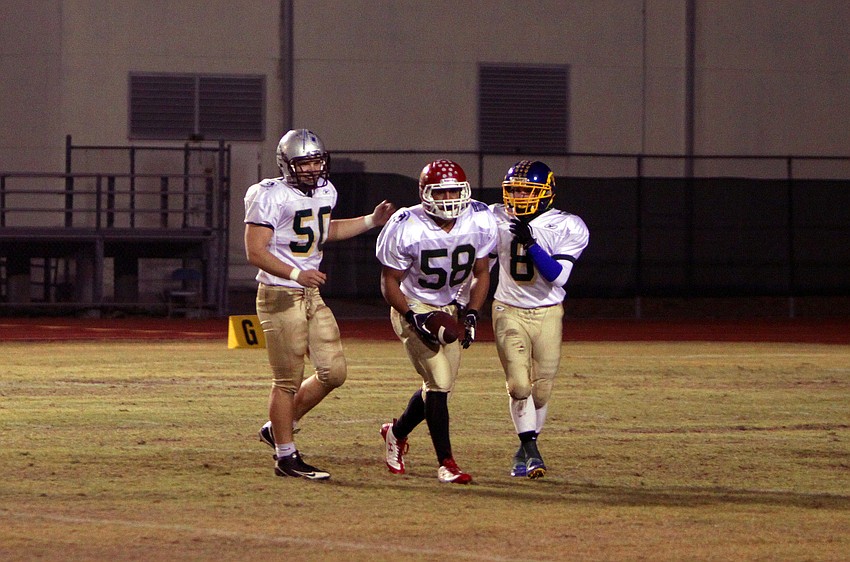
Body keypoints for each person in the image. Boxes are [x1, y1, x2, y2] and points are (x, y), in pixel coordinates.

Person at [245, 128, 395, 480]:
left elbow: (323, 231)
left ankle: (279, 426)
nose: (312, 169)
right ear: (286, 164)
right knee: (286, 380)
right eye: (304, 163)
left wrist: (371, 221)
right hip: (280, 295)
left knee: (333, 372)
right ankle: (286, 456)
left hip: (310, 294)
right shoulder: (268, 195)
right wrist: (297, 274)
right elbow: (255, 251)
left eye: (316, 161)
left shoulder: (326, 190)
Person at [376, 159, 497, 484]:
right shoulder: (405, 224)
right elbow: (390, 282)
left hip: (450, 306)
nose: (449, 200)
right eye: (441, 193)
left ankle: (396, 433)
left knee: (438, 387)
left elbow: (482, 273)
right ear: (426, 194)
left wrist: (472, 311)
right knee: (439, 381)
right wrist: (413, 316)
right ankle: (446, 463)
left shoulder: (480, 218)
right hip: (413, 304)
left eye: (454, 192)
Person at [488, 160, 589, 479]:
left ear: (546, 193)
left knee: (541, 391)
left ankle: (524, 450)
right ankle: (531, 451)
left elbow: (557, 276)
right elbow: (484, 263)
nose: (518, 196)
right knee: (519, 386)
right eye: (513, 189)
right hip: (508, 309)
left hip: (548, 312)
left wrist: (530, 244)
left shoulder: (567, 226)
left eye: (526, 190)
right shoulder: (496, 217)